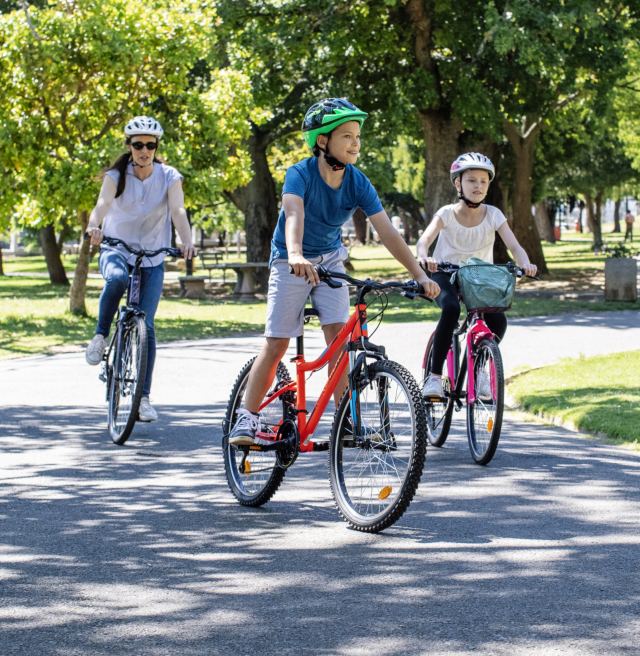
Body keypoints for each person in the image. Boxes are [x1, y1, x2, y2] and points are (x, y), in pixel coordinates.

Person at [228, 98, 440, 446]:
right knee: (278, 342)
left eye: (358, 136)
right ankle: (246, 418)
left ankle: (344, 421)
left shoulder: (357, 181)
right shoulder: (300, 173)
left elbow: (387, 231)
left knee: (340, 338)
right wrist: (295, 254)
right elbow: (294, 214)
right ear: (322, 141)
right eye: (347, 136)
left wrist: (419, 274)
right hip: (290, 259)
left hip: (329, 260)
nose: (356, 143)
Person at [84, 116, 197, 422]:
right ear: (129, 146)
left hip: (152, 256)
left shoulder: (169, 175)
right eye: (138, 145)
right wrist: (94, 226)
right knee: (117, 279)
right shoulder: (116, 175)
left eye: (150, 145)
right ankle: (99, 336)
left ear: (156, 147)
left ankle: (143, 398)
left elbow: (178, 210)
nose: (144, 150)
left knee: (146, 326)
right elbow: (103, 203)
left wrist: (187, 242)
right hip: (115, 247)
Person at [416, 152, 537, 399]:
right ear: (458, 184)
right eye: (472, 180)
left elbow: (515, 247)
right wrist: (424, 256)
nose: (478, 186)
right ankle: (434, 377)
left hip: (478, 278)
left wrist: (525, 263)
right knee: (450, 309)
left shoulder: (493, 214)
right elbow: (424, 240)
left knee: (498, 321)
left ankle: (481, 366)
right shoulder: (447, 213)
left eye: (483, 181)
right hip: (445, 274)